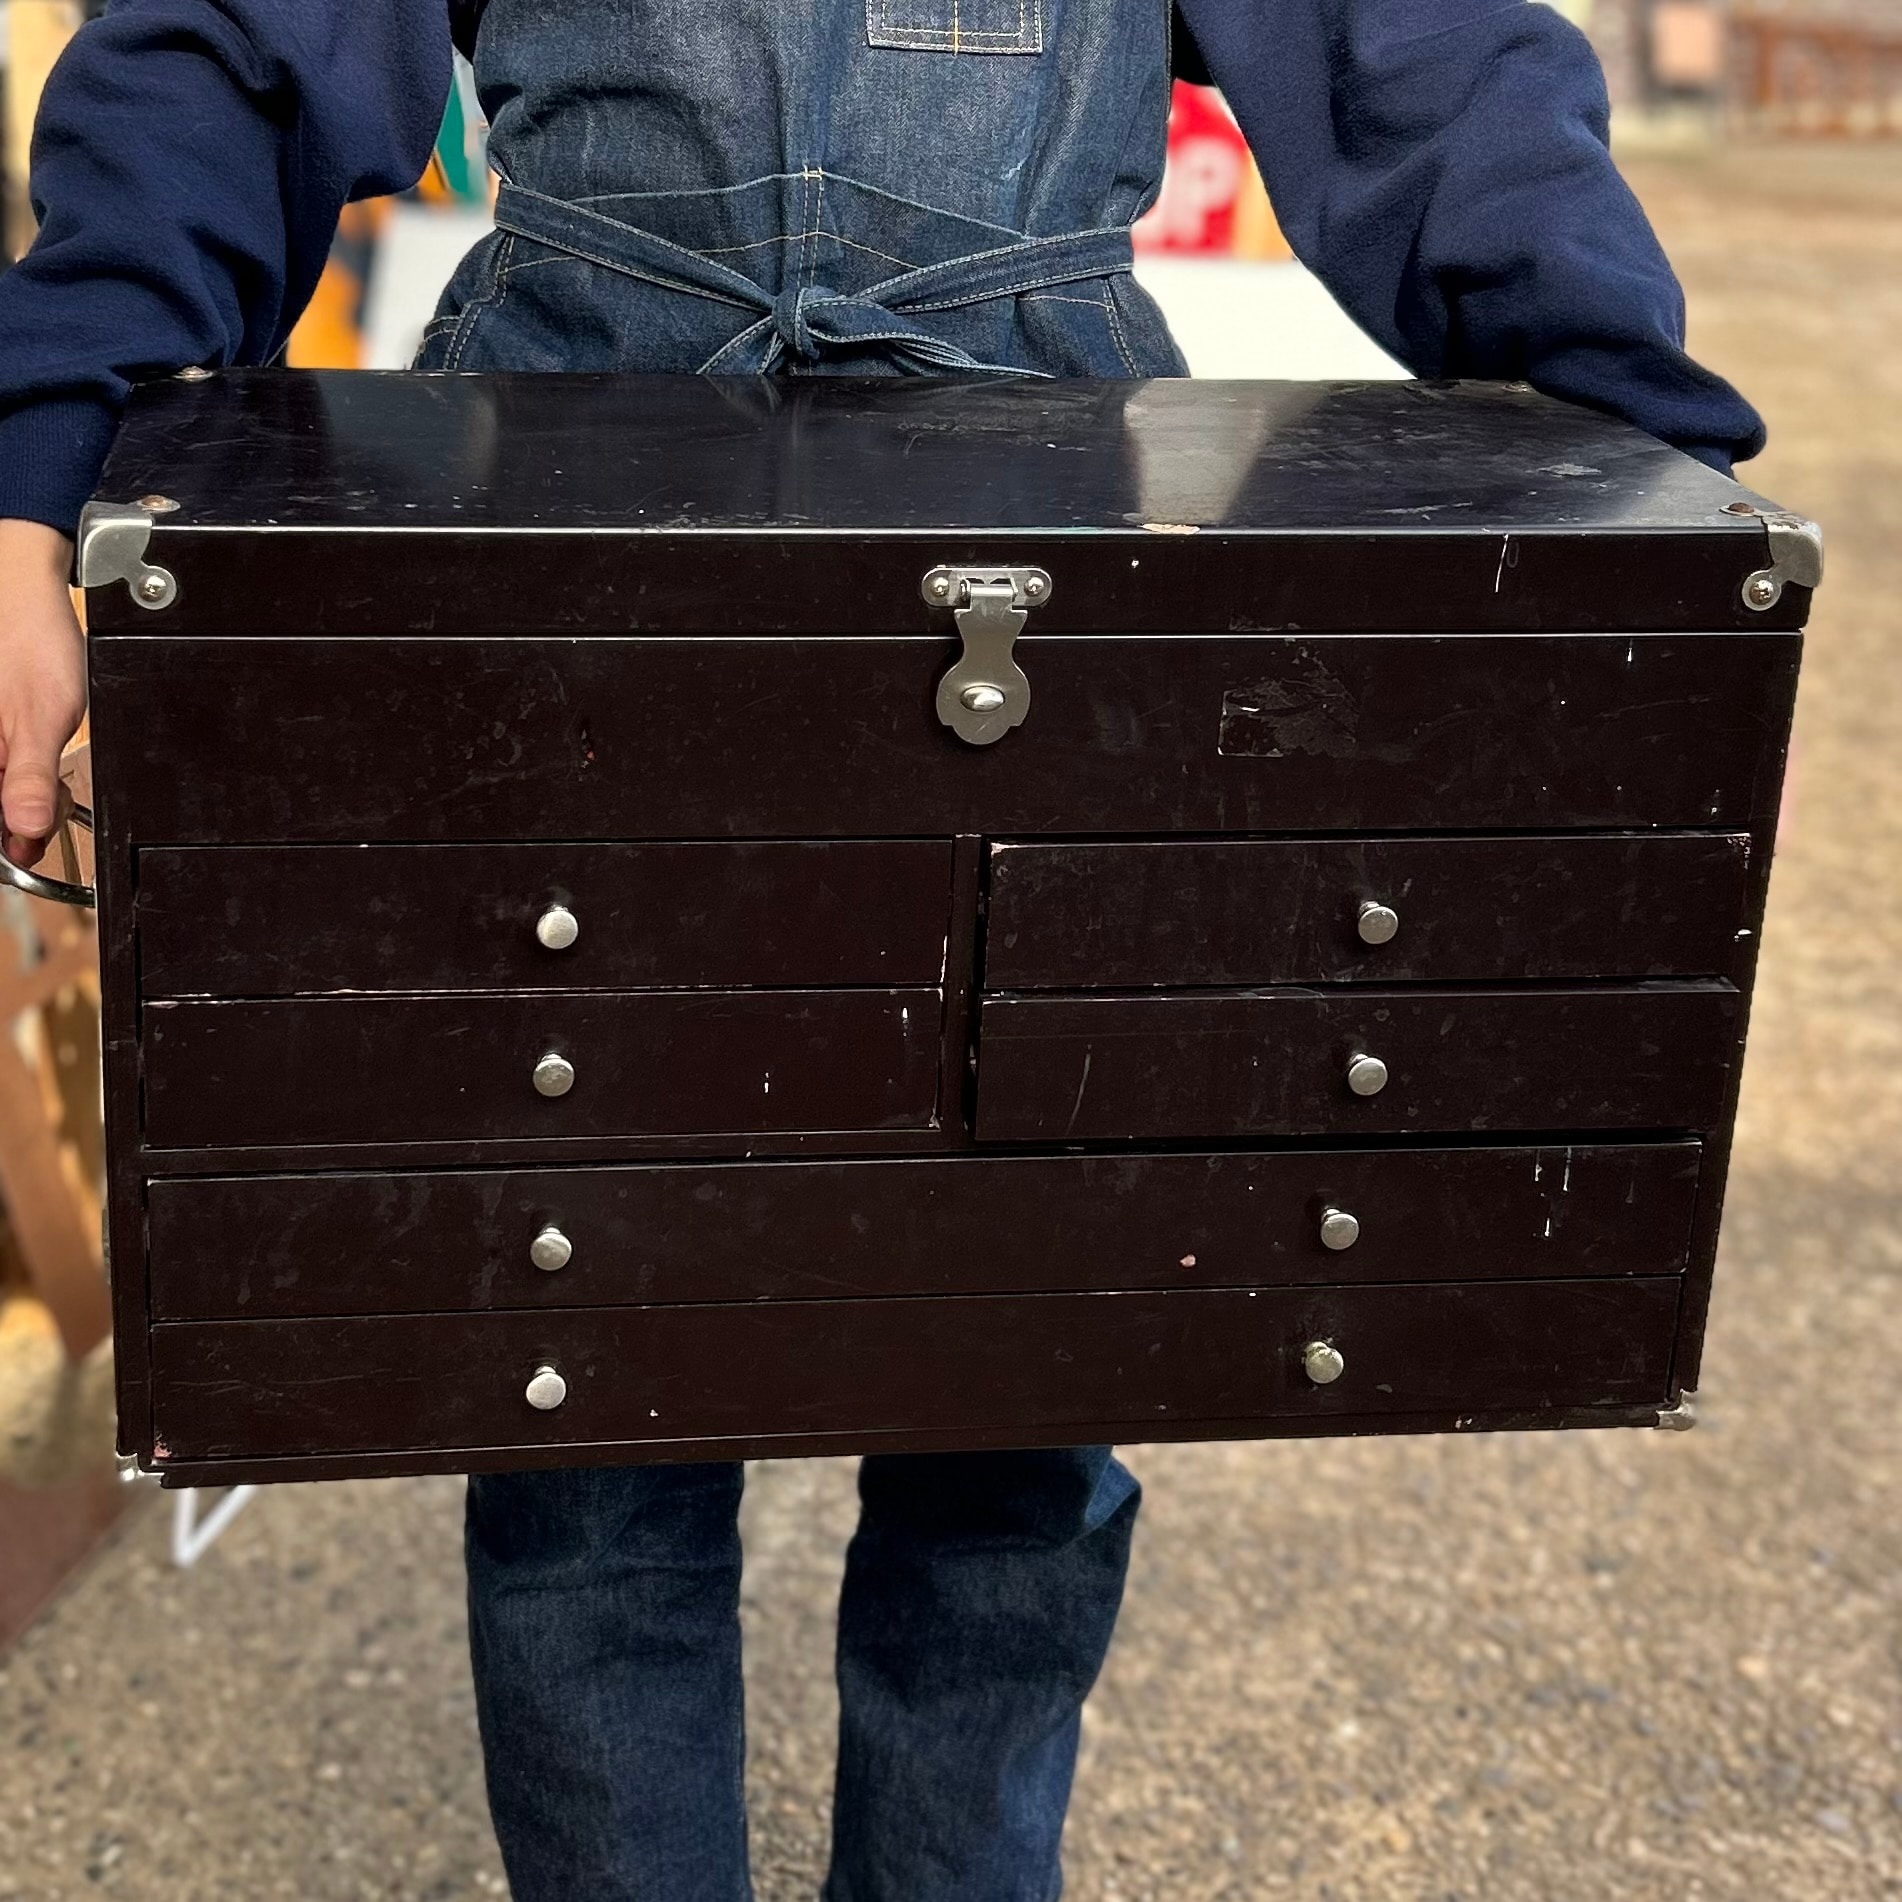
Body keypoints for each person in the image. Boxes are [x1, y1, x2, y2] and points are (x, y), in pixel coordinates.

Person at [0, 4, 1762, 1896]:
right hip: (556, 538)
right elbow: (235, 44)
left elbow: (1421, 64)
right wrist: (36, 471)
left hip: (1050, 526)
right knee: (580, 1398)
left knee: (1025, 1401)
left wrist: (1664, 525)